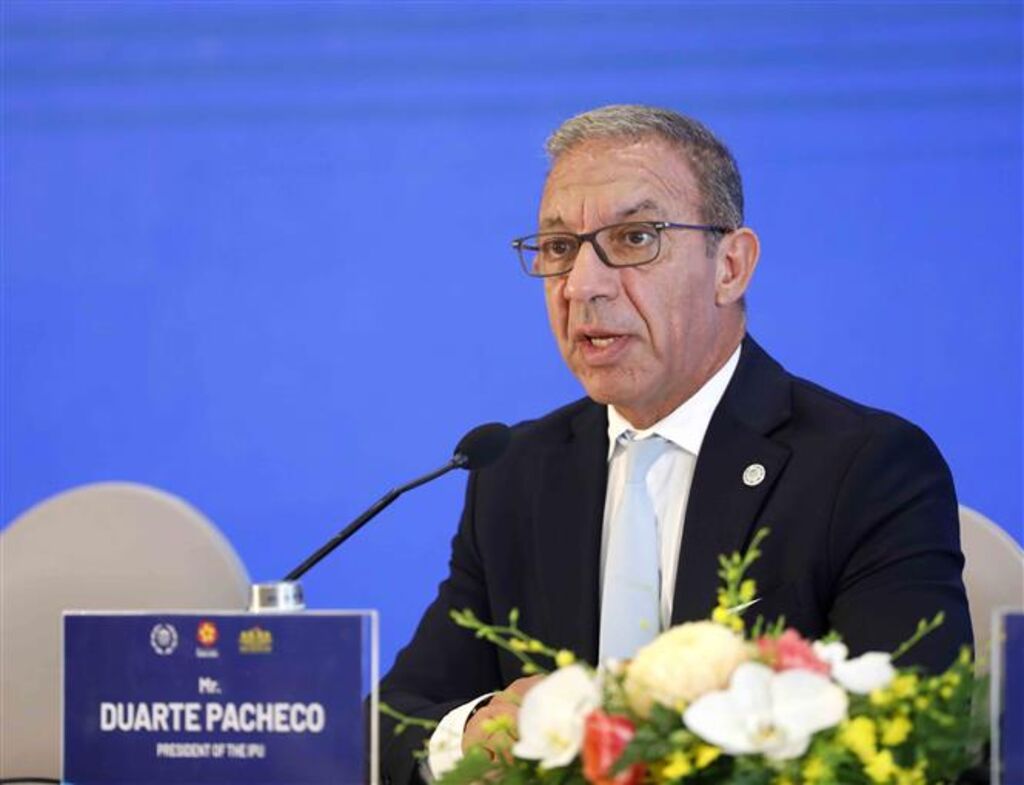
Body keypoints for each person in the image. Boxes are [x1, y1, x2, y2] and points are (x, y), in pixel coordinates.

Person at [377, 105, 971, 785]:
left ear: (731, 266)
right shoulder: (517, 472)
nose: (582, 286)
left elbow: (915, 733)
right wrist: (477, 731)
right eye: (559, 247)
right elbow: (390, 721)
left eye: (635, 238)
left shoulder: (866, 468)